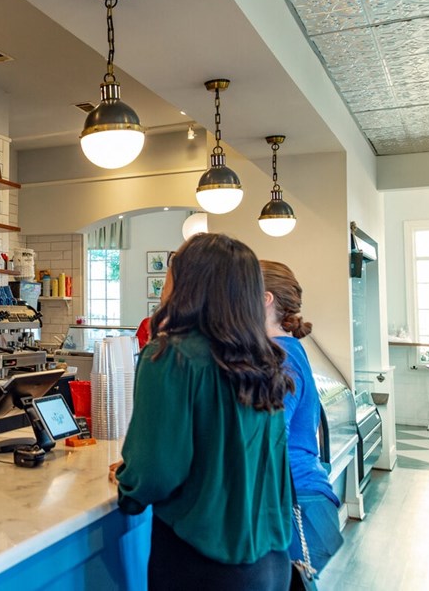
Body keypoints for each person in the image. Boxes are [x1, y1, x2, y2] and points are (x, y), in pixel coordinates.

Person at [114, 233, 294, 590]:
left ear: (187, 283)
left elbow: (155, 471)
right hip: (273, 562)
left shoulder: (169, 355)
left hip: (202, 562)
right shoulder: (263, 358)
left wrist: (128, 490)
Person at [261, 260, 343, 574]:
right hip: (301, 492)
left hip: (296, 497)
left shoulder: (279, 355)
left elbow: (268, 434)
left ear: (266, 299)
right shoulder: (287, 347)